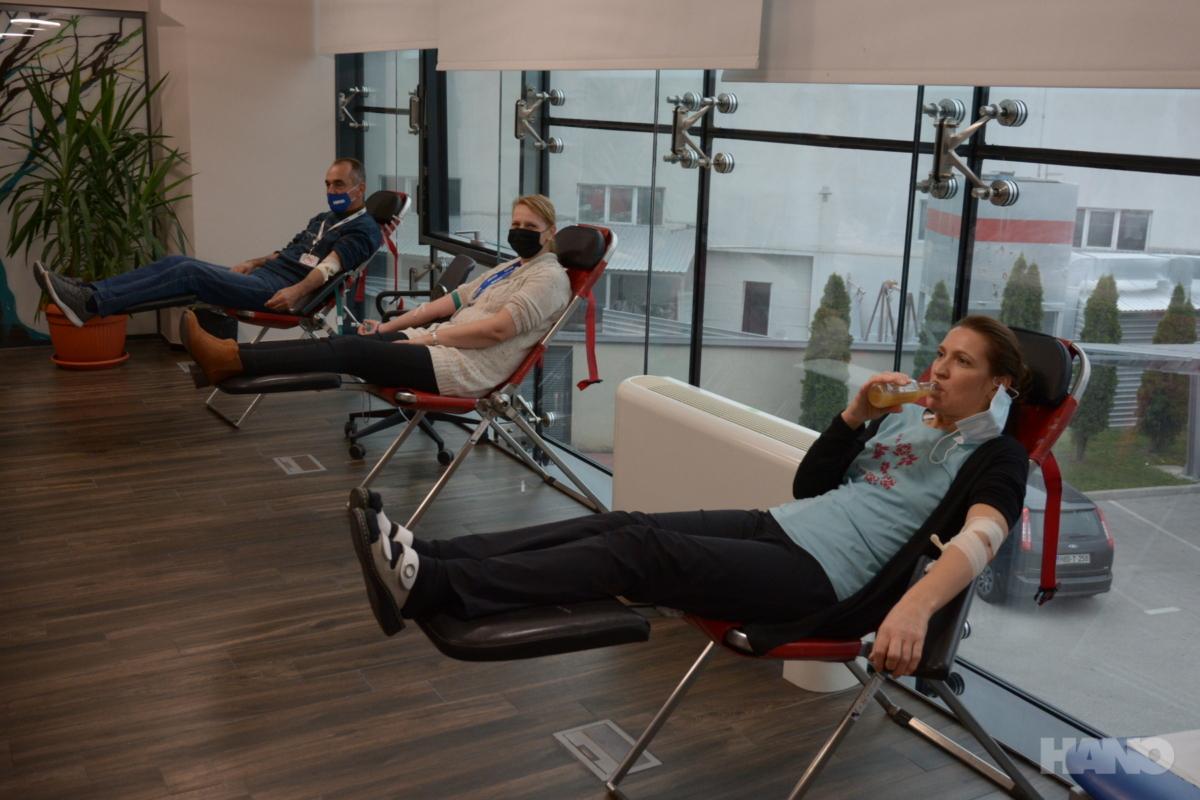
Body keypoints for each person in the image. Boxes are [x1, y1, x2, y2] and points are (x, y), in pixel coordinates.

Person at [348, 315, 1032, 677]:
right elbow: (813, 485)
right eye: (942, 353)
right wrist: (856, 415)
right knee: (620, 523)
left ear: (999, 384)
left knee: (635, 552)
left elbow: (984, 536)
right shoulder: (909, 416)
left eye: (963, 361)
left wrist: (915, 605)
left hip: (826, 580)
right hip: (786, 526)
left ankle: (432, 586)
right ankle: (433, 554)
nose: (941, 369)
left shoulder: (997, 455)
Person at [180, 194, 570, 398]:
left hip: (463, 370)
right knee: (349, 340)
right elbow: (451, 301)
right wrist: (389, 327)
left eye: (530, 226)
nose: (520, 231)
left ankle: (231, 359)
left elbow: (497, 331)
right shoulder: (511, 267)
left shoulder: (549, 278)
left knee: (350, 352)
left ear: (550, 232)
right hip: (440, 347)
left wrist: (430, 338)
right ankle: (229, 358)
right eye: (516, 223)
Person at [32, 158, 382, 327]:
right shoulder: (324, 217)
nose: (331, 190)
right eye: (327, 184)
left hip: (279, 292)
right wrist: (254, 261)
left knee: (190, 274)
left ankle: (90, 303)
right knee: (176, 262)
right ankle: (89, 292)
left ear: (360, 188)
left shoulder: (364, 230)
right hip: (265, 276)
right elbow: (291, 251)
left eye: (338, 185)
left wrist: (295, 293)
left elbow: (328, 268)